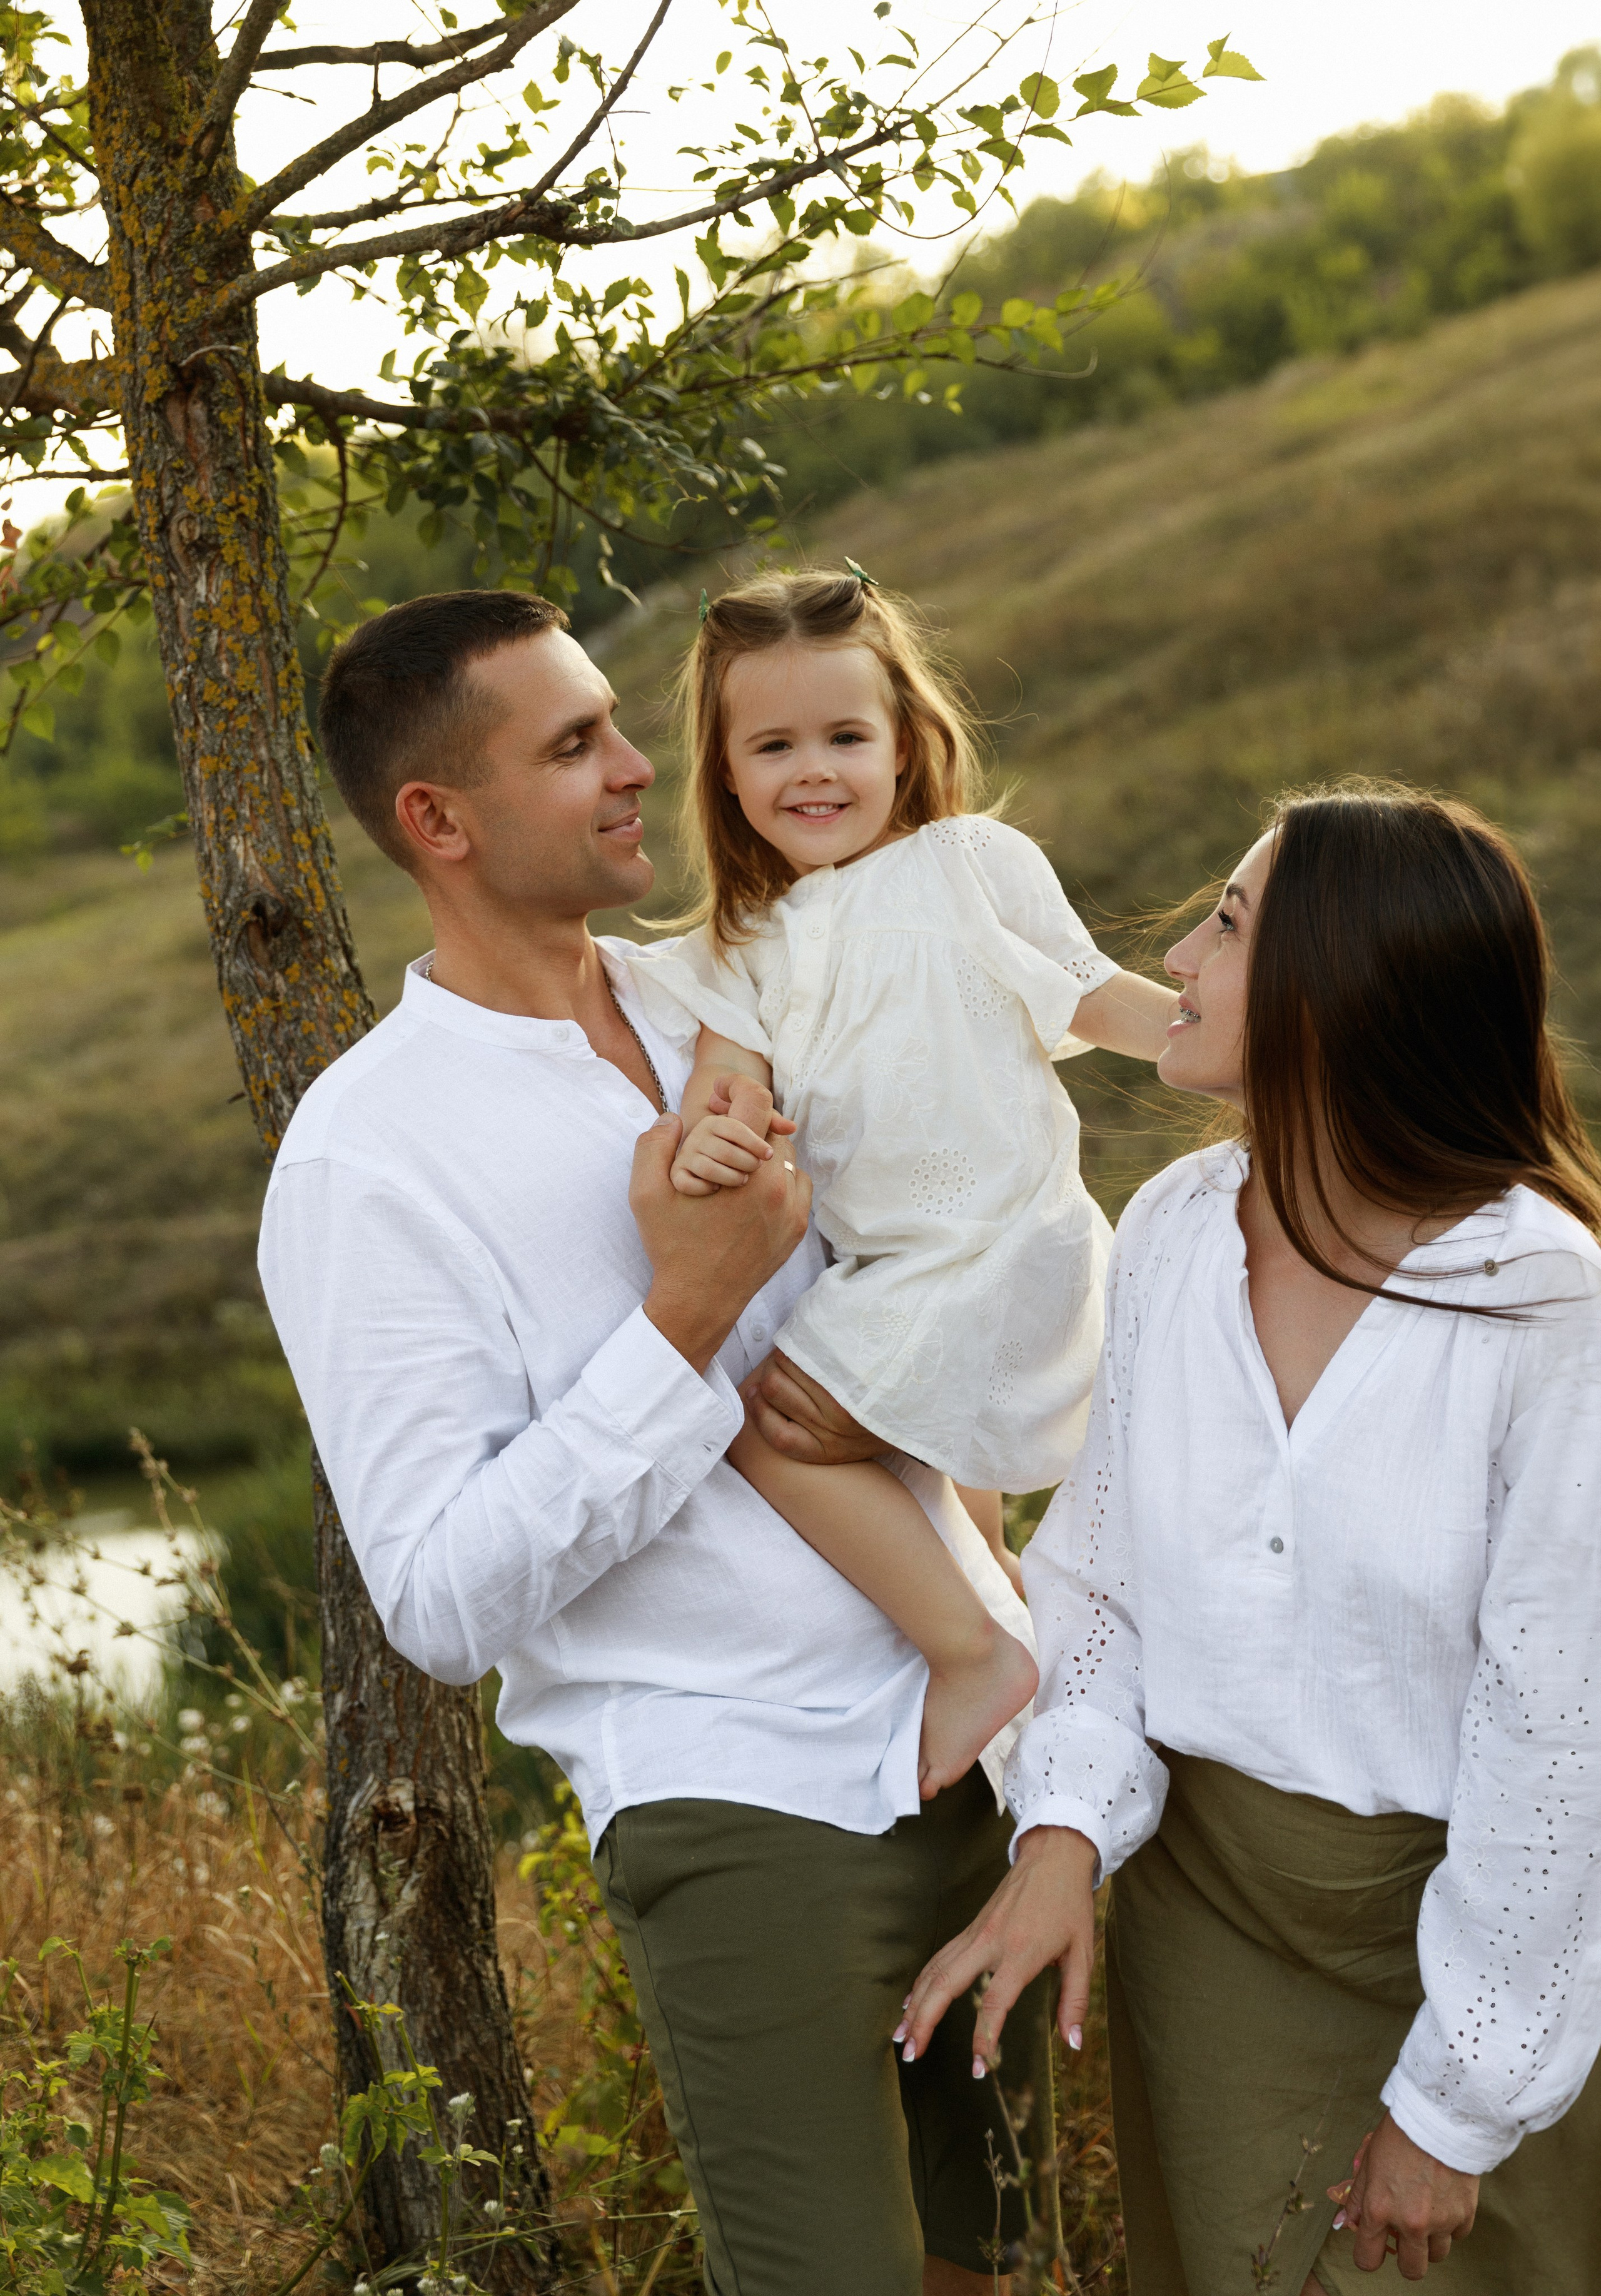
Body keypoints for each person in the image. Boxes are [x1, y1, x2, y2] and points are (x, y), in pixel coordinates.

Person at [256, 588, 1061, 2295]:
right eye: (575, 747)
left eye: (620, 722)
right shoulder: (371, 1160)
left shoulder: (747, 991)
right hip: (744, 1800)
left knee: (1002, 2270)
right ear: (439, 822)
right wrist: (684, 1320)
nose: (641, 769)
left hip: (990, 1747)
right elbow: (441, 1602)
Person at [897, 784, 1601, 2292]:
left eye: (1225, 921)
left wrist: (1454, 2101)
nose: (1180, 951)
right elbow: (1096, 1592)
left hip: (1477, 1940)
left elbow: (1560, 1724)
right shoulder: (1166, 1230)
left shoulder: (1545, 1298)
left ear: (1334, 990)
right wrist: (1063, 1837)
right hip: (1204, 1921)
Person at [615, 568, 1177, 1797]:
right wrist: (711, 1144)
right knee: (946, 1501)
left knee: (768, 1429)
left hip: (992, 1247)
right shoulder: (738, 947)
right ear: (722, 771)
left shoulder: (969, 865)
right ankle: (1018, 1665)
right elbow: (728, 1095)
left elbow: (1087, 993)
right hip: (892, 1271)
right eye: (772, 745)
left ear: (904, 742)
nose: (811, 770)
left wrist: (1239, 1044)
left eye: (844, 737)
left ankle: (973, 1656)